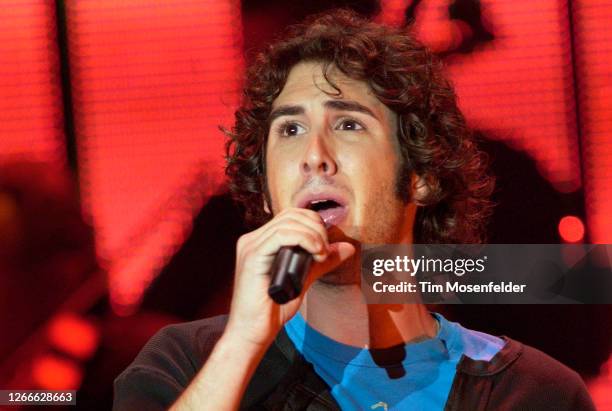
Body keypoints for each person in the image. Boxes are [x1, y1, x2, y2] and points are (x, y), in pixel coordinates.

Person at [113, 10, 595, 410]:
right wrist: (241, 344)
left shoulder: (534, 392)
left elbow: (575, 293)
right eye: (290, 130)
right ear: (263, 190)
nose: (314, 155)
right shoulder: (183, 364)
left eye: (347, 123)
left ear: (421, 175)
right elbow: (138, 322)